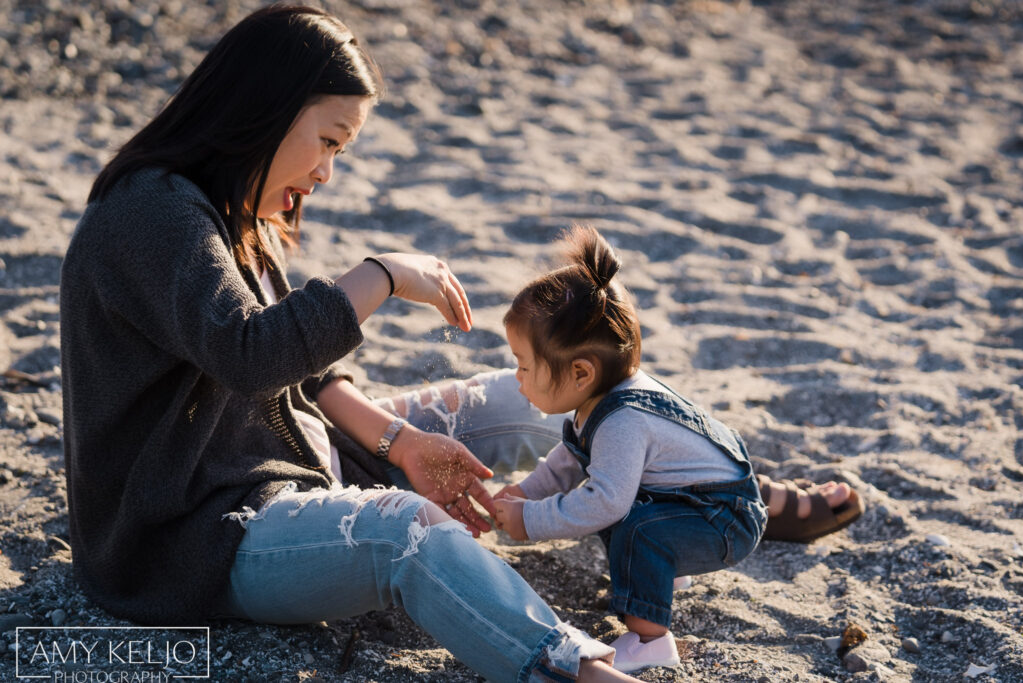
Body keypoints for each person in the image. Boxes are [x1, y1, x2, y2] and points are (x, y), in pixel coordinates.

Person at [59, 5, 642, 681]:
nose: (328, 172)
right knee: (407, 531)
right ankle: (583, 672)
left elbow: (300, 376)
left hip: (288, 457)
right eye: (330, 141)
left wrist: (401, 442)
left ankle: (699, 478)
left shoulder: (225, 208)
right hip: (201, 534)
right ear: (266, 107)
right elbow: (251, 357)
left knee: (519, 398)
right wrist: (382, 275)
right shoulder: (151, 214)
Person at [491, 225, 769, 673]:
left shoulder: (622, 422)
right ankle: (658, 572)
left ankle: (650, 638)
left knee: (634, 526)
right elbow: (566, 463)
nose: (518, 377)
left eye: (524, 366)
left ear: (581, 373)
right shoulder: (596, 403)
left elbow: (604, 501)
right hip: (690, 499)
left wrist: (531, 521)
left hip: (724, 517)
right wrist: (524, 495)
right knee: (624, 511)